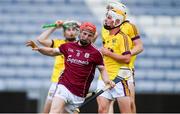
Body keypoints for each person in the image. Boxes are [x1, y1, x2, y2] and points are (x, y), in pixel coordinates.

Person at [26, 22, 115, 113]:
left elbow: (102, 69)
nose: (86, 37)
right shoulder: (68, 46)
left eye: (90, 35)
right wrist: (39, 49)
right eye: (84, 33)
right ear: (79, 32)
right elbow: (52, 51)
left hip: (79, 93)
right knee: (54, 112)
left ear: (92, 37)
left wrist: (107, 81)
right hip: (64, 86)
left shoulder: (96, 53)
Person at [102, 1, 144, 113]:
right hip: (110, 69)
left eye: (111, 8)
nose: (108, 11)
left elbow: (139, 46)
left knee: (130, 102)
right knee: (108, 102)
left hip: (126, 69)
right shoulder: (105, 28)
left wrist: (125, 54)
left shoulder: (130, 26)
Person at [36, 20, 80, 113]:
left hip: (71, 83)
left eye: (73, 29)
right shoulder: (58, 43)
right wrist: (55, 27)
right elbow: (40, 39)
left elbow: (95, 34)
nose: (71, 32)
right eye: (68, 30)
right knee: (46, 111)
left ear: (77, 31)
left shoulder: (80, 45)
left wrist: (80, 24)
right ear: (64, 33)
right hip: (56, 82)